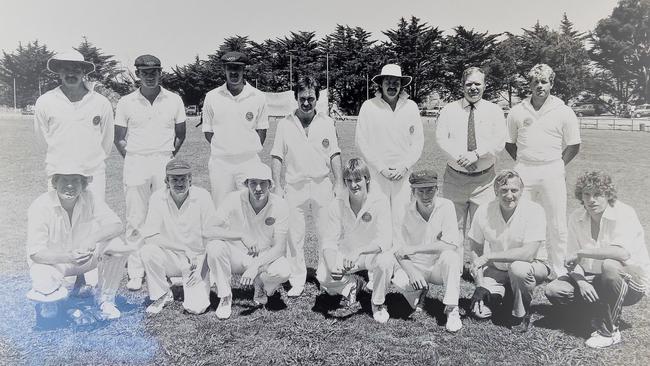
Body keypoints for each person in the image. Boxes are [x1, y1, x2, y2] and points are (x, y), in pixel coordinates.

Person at [545, 171, 650, 348]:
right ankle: (597, 312)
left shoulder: (624, 213)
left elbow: (621, 254)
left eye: (598, 194)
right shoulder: (576, 217)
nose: (592, 199)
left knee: (609, 265)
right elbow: (571, 260)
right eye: (587, 194)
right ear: (581, 196)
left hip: (630, 282)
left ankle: (609, 330)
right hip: (593, 278)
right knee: (554, 289)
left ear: (608, 195)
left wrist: (583, 252)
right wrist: (582, 283)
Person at [114, 54, 187, 291]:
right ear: (137, 74)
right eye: (145, 72)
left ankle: (170, 268)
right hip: (136, 162)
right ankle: (136, 271)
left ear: (160, 72)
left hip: (163, 161)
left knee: (166, 216)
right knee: (136, 219)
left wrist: (166, 156)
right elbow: (119, 139)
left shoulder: (174, 100)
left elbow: (180, 133)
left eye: (154, 72)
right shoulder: (126, 102)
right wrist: (135, 158)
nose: (150, 76)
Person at [505, 64, 581, 277]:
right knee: (521, 219)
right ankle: (523, 267)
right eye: (535, 82)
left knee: (556, 222)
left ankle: (558, 269)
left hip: (552, 170)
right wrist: (524, 161)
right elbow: (509, 143)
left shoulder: (564, 111)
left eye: (544, 81)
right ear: (529, 84)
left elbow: (574, 145)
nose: (539, 86)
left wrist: (556, 165)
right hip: (524, 170)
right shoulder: (517, 111)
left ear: (551, 83)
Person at [270, 76, 343, 297]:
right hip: (294, 185)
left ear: (317, 98)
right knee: (294, 236)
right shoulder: (285, 124)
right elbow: (276, 156)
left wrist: (339, 183)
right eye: (302, 98)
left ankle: (324, 276)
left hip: (322, 184)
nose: (306, 103)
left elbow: (334, 154)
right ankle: (297, 279)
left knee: (326, 234)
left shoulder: (327, 122)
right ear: (296, 98)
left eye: (310, 98)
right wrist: (277, 185)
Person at [26, 167, 129, 321]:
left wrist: (91, 239)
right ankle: (52, 301)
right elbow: (36, 254)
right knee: (49, 313)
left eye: (75, 180)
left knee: (117, 246)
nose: (70, 185)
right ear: (55, 182)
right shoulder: (40, 205)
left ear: (83, 184)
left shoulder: (90, 198)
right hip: (54, 263)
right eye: (65, 180)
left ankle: (105, 300)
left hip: (84, 258)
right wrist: (68, 257)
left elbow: (117, 225)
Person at [435, 67, 505, 263]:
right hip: (454, 179)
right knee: (452, 229)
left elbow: (499, 141)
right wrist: (461, 158)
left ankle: (479, 269)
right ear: (462, 85)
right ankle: (454, 270)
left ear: (485, 85)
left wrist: (476, 155)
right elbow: (441, 139)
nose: (473, 88)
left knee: (482, 228)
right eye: (469, 84)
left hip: (484, 181)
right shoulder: (449, 110)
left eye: (477, 84)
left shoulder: (495, 110)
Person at [206, 163, 292, 319]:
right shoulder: (233, 198)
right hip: (236, 255)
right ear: (246, 184)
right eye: (253, 183)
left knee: (284, 270)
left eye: (263, 183)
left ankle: (262, 286)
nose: (258, 188)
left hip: (264, 257)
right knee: (214, 247)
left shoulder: (280, 204)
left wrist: (255, 266)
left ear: (270, 185)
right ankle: (225, 297)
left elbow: (279, 248)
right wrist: (240, 235)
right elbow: (208, 230)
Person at [468, 169, 549, 333]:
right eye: (503, 190)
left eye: (514, 190)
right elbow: (475, 248)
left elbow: (528, 254)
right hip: (497, 269)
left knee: (517, 268)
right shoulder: (483, 210)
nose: (509, 195)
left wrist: (489, 255)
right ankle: (506, 294)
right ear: (495, 191)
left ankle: (521, 313)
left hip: (532, 266)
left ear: (522, 191)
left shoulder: (534, 210)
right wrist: (479, 285)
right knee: (480, 312)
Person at [135, 159, 218, 315]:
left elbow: (212, 236)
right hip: (171, 257)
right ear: (166, 181)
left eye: (183, 178)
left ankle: (200, 281)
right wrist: (183, 249)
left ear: (190, 179)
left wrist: (203, 267)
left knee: (196, 308)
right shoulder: (157, 198)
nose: (179, 183)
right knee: (148, 251)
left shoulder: (203, 196)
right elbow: (151, 236)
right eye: (174, 179)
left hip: (197, 260)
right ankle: (162, 294)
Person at [317, 158, 394, 323]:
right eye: (349, 180)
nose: (353, 185)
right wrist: (332, 268)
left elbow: (386, 241)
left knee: (386, 261)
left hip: (370, 255)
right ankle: (353, 284)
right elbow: (329, 242)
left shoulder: (380, 201)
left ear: (367, 179)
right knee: (323, 276)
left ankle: (378, 303)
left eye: (358, 179)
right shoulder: (337, 203)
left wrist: (358, 251)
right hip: (347, 256)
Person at [355, 63, 423, 244]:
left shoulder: (411, 107)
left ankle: (399, 265)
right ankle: (379, 266)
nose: (392, 86)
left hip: (403, 173)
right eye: (388, 82)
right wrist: (381, 168)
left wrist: (405, 166)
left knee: (402, 219)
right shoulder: (369, 106)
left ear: (401, 85)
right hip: (378, 174)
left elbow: (418, 142)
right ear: (381, 84)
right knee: (379, 218)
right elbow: (361, 141)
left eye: (396, 82)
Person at [34, 50, 114, 202]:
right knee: (60, 219)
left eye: (76, 70)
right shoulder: (45, 101)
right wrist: (60, 162)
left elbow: (107, 141)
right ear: (59, 72)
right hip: (59, 173)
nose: (71, 74)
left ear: (84, 72)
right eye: (66, 69)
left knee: (93, 218)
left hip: (92, 174)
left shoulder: (101, 102)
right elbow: (42, 140)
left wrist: (91, 161)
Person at [391, 169, 462, 332]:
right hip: (417, 267)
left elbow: (451, 244)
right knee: (400, 280)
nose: (425, 196)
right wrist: (411, 271)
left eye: (430, 190)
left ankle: (452, 309)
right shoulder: (402, 211)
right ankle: (420, 291)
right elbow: (397, 248)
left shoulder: (447, 206)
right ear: (412, 191)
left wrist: (415, 249)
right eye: (420, 191)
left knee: (452, 257)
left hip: (438, 268)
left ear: (437, 189)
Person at [202, 51, 269, 208]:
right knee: (222, 208)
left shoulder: (258, 96)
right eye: (230, 68)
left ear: (243, 69)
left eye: (237, 68)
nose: (234, 72)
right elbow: (208, 132)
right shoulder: (212, 97)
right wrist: (227, 148)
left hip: (248, 162)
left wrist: (245, 148)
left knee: (251, 207)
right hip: (221, 163)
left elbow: (262, 131)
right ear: (224, 69)